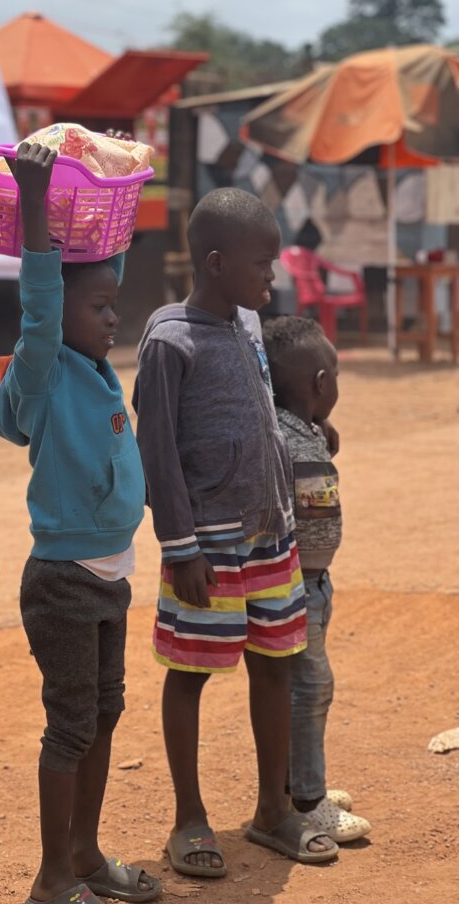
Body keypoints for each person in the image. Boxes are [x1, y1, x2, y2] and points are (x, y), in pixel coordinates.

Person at [133, 187, 339, 877]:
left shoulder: (250, 326)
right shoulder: (170, 339)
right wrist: (179, 545)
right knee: (190, 673)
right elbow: (157, 449)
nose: (271, 277)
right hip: (208, 548)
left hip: (269, 536)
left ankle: (272, 811)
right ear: (216, 263)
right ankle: (189, 817)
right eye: (261, 264)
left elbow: (260, 418)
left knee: (276, 663)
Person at [0, 141, 161, 904]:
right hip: (62, 583)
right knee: (70, 726)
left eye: (114, 305)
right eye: (100, 308)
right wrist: (34, 205)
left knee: (105, 713)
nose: (113, 318)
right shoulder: (47, 365)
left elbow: (92, 281)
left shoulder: (94, 370)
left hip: (111, 579)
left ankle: (86, 854)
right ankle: (53, 877)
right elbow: (40, 303)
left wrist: (100, 221)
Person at [262, 315, 372, 843]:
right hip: (294, 585)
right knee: (310, 687)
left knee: (301, 687)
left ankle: (295, 785)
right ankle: (307, 799)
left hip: (312, 583)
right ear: (322, 384)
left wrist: (320, 430)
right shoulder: (283, 437)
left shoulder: (299, 430)